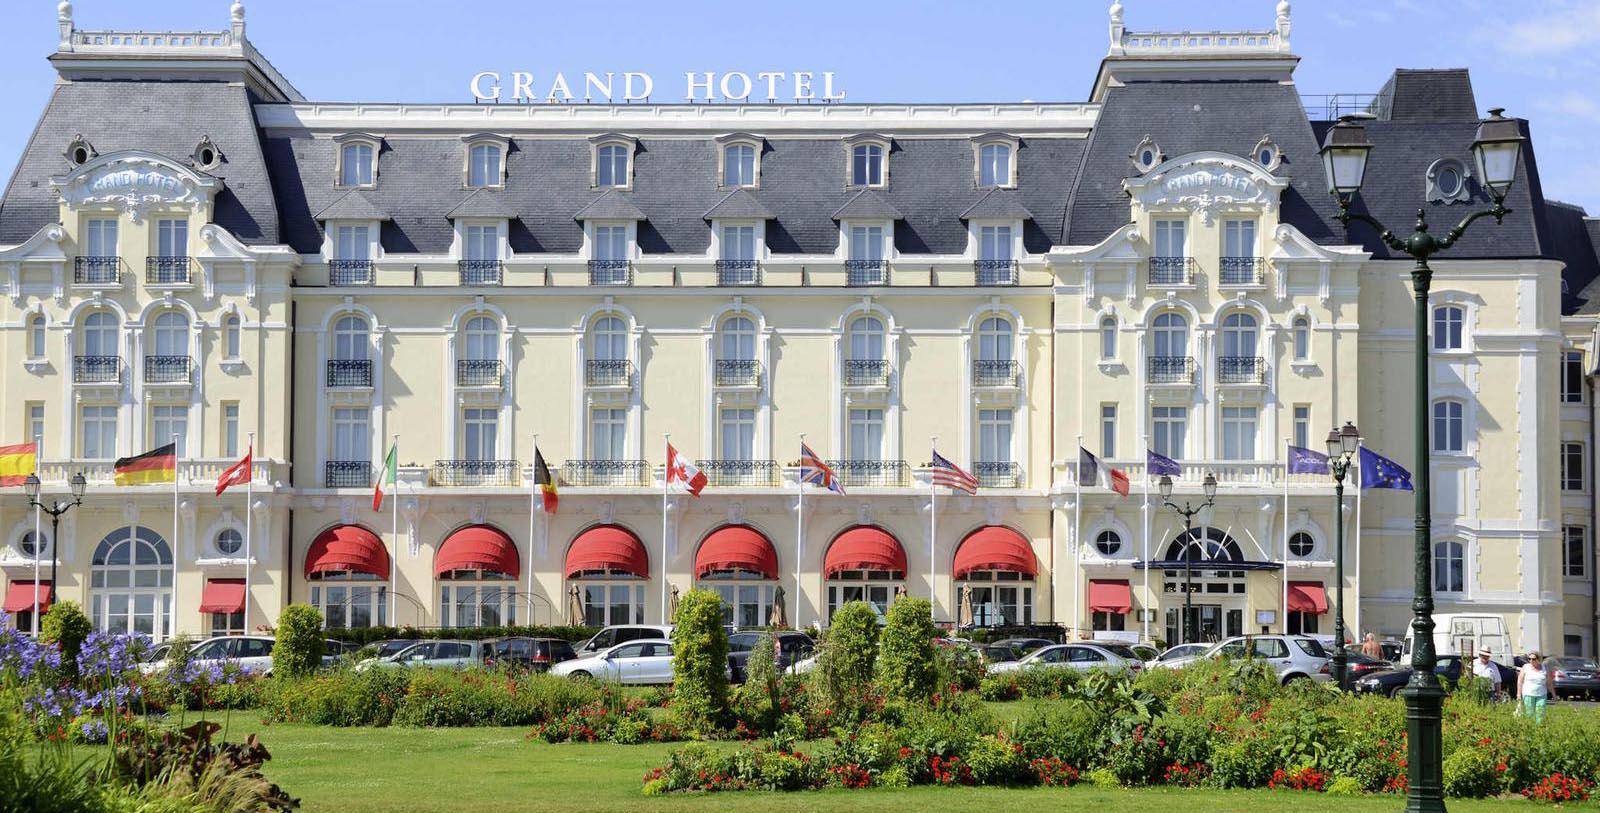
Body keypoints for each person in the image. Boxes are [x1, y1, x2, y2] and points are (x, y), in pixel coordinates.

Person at [1517, 650, 1554, 723]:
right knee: (1529, 714)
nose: (1531, 661)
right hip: (1528, 694)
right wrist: (1518, 694)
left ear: (1538, 659)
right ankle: (1530, 730)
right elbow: (1520, 681)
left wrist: (1554, 694)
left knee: (1540, 715)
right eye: (1529, 659)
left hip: (1541, 695)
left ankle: (1539, 730)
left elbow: (1549, 683)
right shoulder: (1525, 667)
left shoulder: (1544, 668)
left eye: (1533, 659)